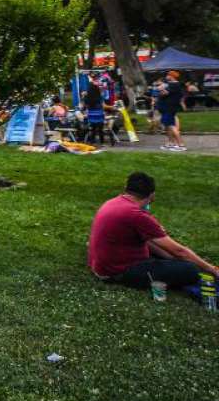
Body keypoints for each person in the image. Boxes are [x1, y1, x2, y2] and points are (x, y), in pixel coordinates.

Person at [88, 172, 216, 294]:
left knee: (171, 256)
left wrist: (173, 258)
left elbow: (153, 242)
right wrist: (211, 269)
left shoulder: (113, 202)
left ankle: (176, 263)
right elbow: (179, 251)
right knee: (190, 270)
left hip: (103, 264)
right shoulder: (136, 215)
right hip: (118, 272)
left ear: (126, 189)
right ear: (152, 195)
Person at [156, 71, 187, 152]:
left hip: (169, 108)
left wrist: (161, 88)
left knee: (171, 126)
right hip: (166, 108)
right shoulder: (171, 84)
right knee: (167, 126)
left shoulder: (174, 84)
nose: (166, 76)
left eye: (168, 75)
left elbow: (165, 93)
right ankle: (170, 143)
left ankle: (181, 145)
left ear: (171, 76)